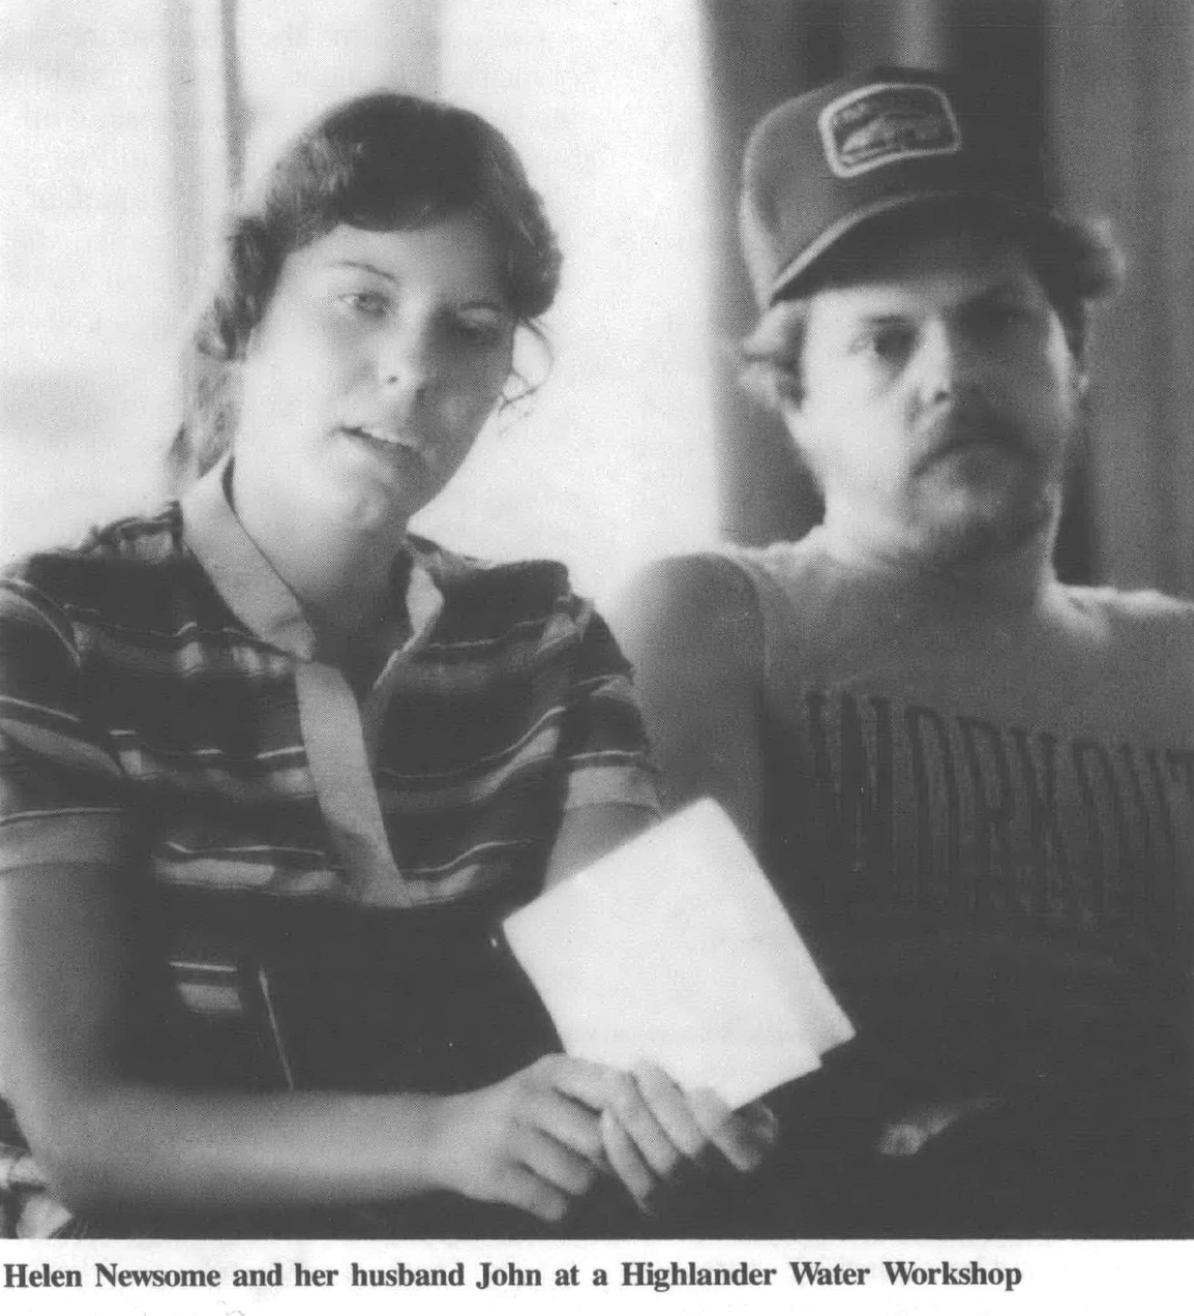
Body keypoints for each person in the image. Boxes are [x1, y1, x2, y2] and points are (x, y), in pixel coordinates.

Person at [0, 92, 773, 1239]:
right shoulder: (53, 634)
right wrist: (444, 1135)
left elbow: (676, 1037)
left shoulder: (552, 644)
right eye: (363, 301)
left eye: (470, 327)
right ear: (246, 313)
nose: (412, 369)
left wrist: (698, 1096)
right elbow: (87, 1133)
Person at [612, 66, 1193, 1237]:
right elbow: (686, 1086)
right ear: (794, 400)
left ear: (1072, 359)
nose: (951, 373)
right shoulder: (705, 620)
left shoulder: (1177, 664)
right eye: (884, 340)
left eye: (998, 318)